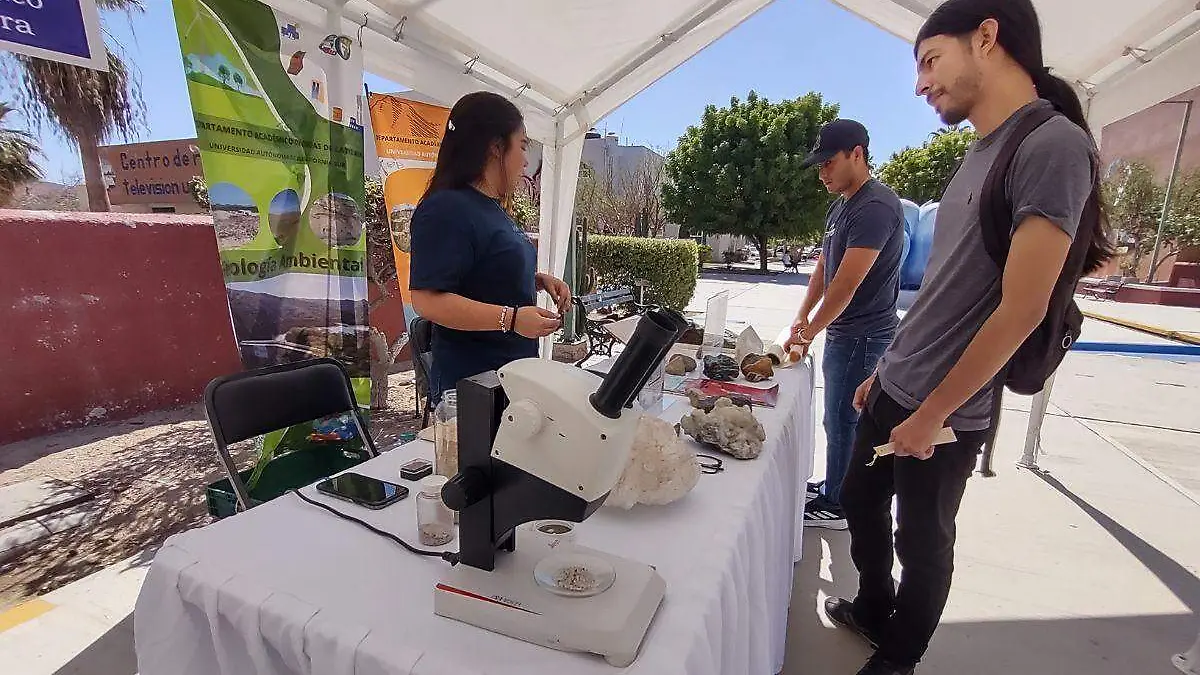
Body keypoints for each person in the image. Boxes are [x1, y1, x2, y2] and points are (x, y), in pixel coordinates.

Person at [824, 2, 1115, 674]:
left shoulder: (1052, 146)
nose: (920, 84)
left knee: (922, 541)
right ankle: (873, 605)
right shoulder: (981, 150)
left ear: (987, 38)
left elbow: (1021, 308)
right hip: (898, 382)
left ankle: (897, 657)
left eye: (930, 61)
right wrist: (889, 368)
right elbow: (944, 288)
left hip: (948, 408)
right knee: (860, 500)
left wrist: (933, 412)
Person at [409, 92, 572, 400]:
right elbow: (427, 300)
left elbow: (481, 271)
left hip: (513, 376)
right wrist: (511, 319)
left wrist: (536, 280)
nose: (526, 160)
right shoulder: (446, 208)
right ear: (496, 147)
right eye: (522, 146)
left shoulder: (492, 207)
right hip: (473, 386)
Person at [785, 119, 905, 531]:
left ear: (857, 154)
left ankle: (839, 505)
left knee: (844, 419)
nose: (822, 172)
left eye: (828, 162)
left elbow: (848, 282)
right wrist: (804, 313)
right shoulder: (842, 205)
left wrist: (813, 328)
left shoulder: (876, 206)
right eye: (818, 165)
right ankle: (836, 486)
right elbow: (825, 265)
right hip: (844, 332)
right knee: (836, 419)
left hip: (864, 335)